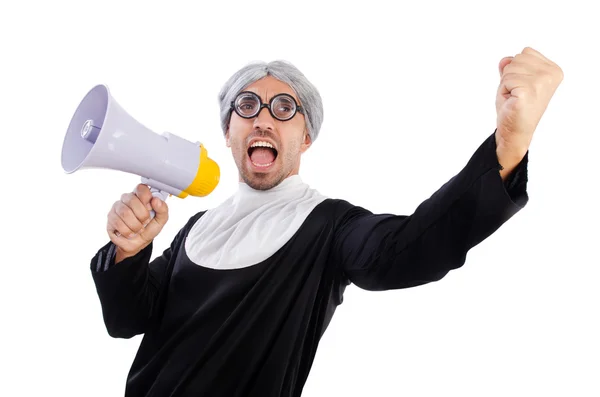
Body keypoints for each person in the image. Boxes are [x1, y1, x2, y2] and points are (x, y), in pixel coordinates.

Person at [90, 47, 563, 396]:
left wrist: (507, 146)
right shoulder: (195, 227)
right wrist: (128, 251)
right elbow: (129, 320)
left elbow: (411, 248)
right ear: (228, 131)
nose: (264, 121)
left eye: (284, 109)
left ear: (306, 136)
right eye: (247, 106)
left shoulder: (329, 226)